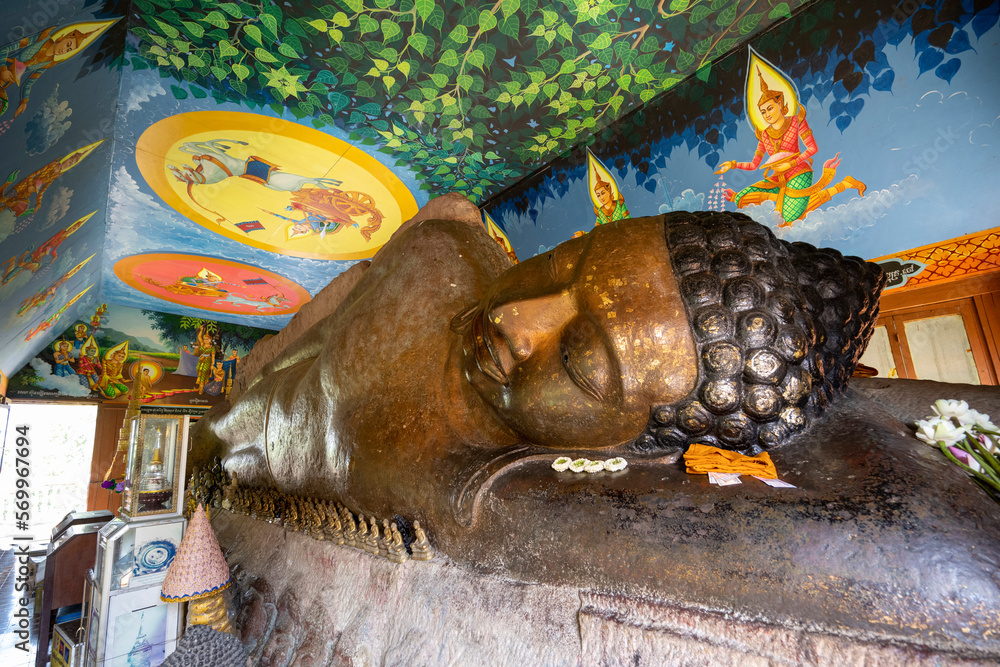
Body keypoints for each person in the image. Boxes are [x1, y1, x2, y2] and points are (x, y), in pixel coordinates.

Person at [195, 206, 883, 541]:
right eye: (563, 261)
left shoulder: (463, 499)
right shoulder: (440, 259)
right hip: (239, 423)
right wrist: (237, 396)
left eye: (582, 360)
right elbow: (311, 333)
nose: (515, 318)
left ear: (615, 438)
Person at [715, 69, 865, 226]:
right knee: (741, 197)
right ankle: (792, 199)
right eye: (763, 111)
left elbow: (812, 149)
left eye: (770, 108)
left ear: (780, 104)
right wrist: (732, 165)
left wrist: (790, 164)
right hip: (777, 178)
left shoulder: (796, 121)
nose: (767, 114)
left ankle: (842, 186)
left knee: (788, 218)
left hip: (799, 172)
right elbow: (754, 165)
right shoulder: (764, 134)